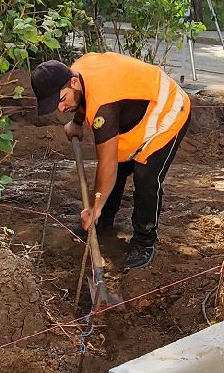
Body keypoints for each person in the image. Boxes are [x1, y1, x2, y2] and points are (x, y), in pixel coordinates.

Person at [32, 52, 192, 270]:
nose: (60, 109)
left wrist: (94, 205)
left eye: (61, 100)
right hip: (134, 111)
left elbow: (106, 165)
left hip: (167, 110)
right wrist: (77, 121)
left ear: (73, 82)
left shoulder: (104, 108)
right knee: (116, 166)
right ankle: (103, 221)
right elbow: (84, 97)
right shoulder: (77, 72)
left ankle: (144, 243)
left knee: (145, 178)